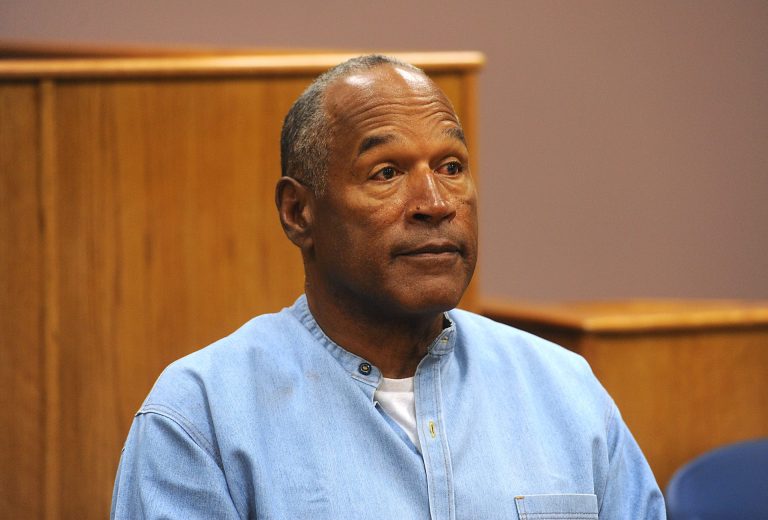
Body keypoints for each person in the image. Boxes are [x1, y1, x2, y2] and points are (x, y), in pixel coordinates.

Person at [111, 55, 665, 519]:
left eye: (451, 166)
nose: (436, 203)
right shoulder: (200, 417)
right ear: (298, 211)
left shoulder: (564, 390)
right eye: (387, 172)